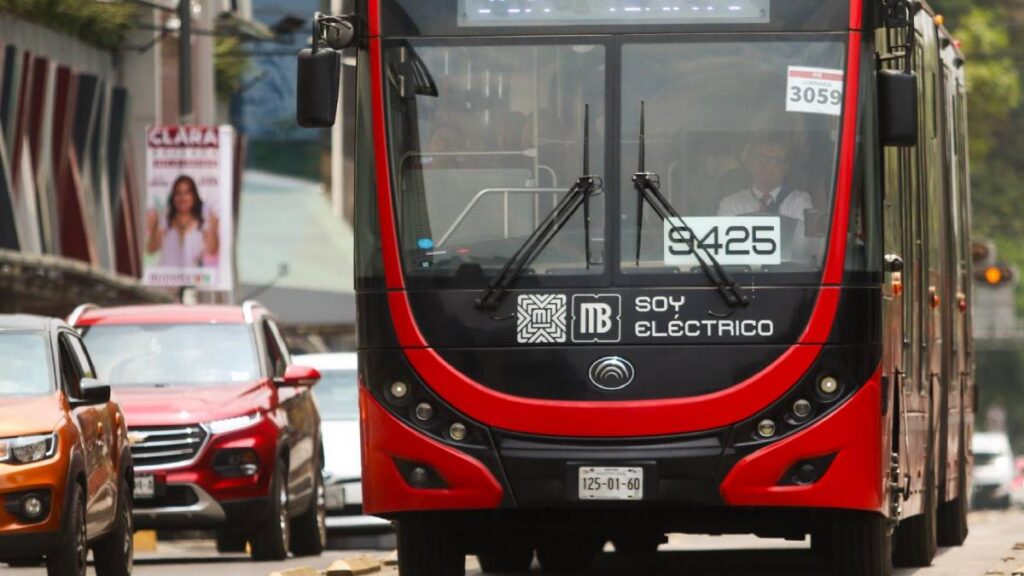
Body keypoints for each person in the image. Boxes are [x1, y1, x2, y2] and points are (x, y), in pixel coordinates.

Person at [717, 135, 815, 263]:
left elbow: (804, 247)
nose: (766, 166)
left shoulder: (800, 201)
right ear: (750, 163)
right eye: (760, 159)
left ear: (786, 167)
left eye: (775, 161)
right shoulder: (731, 203)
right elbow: (724, 249)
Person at [145, 175, 219, 268]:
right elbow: (151, 250)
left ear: (194, 195)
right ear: (173, 196)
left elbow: (213, 250)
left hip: (194, 278)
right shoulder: (165, 217)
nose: (182, 197)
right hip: (165, 277)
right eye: (177, 193)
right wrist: (155, 225)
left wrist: (213, 227)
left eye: (186, 192)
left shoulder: (203, 219)